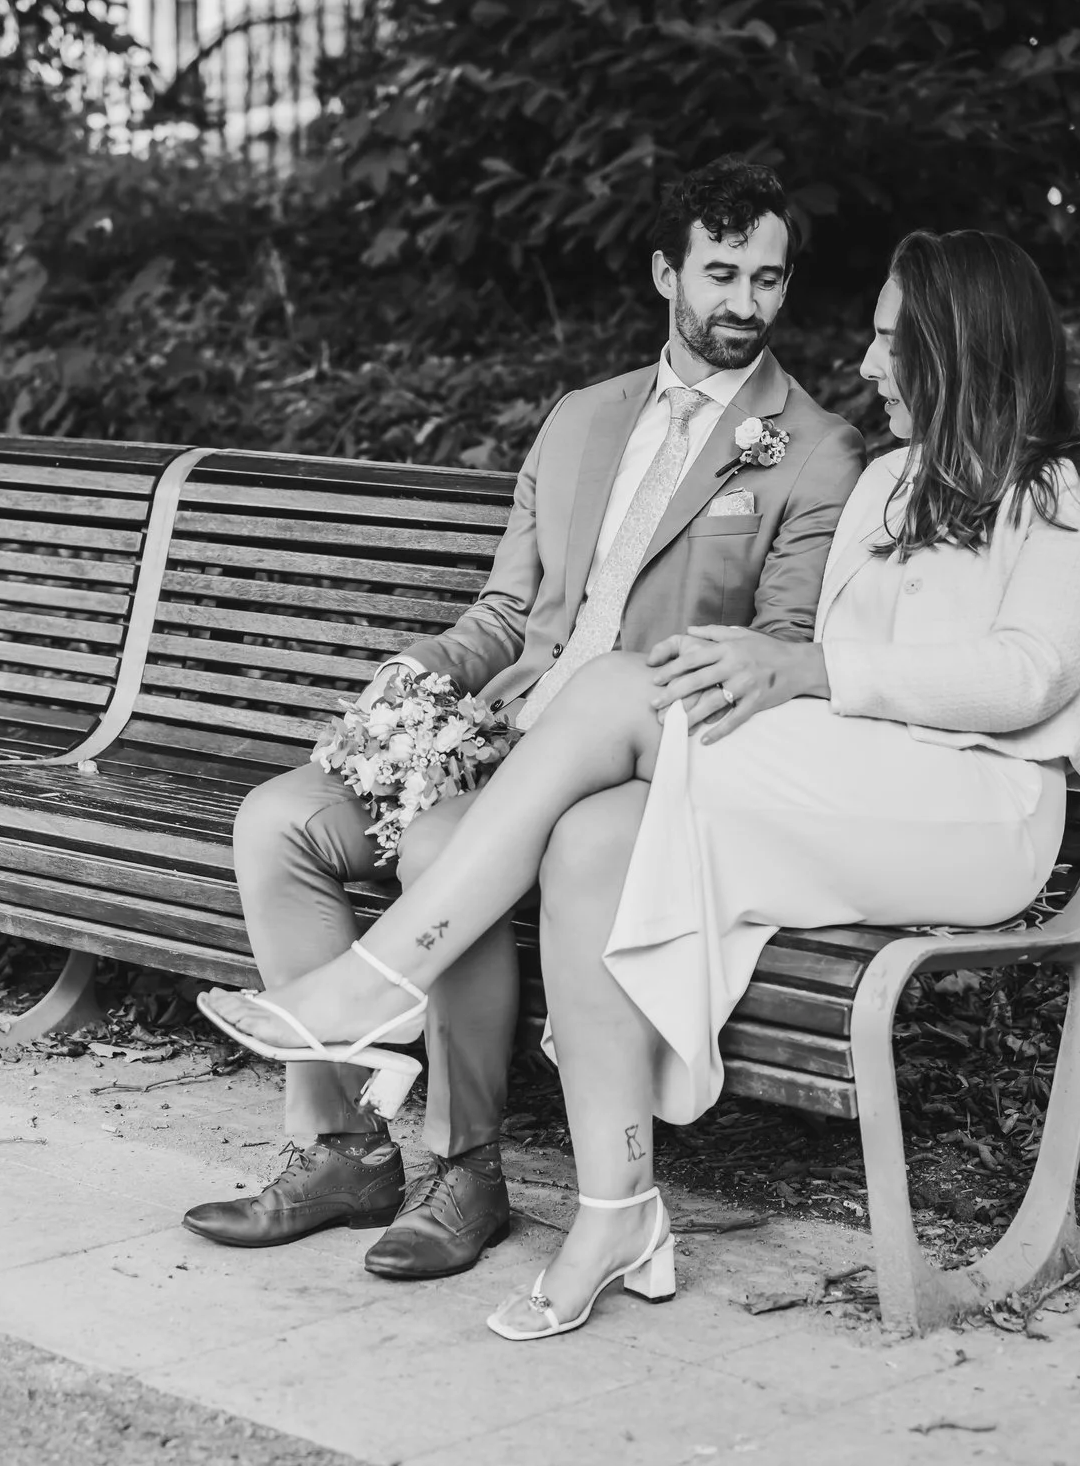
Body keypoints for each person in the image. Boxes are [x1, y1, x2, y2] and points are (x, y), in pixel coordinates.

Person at [199, 228, 1080, 1340]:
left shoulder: (1075, 485)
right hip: (848, 781)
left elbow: (1027, 674)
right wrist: (765, 679)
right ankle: (618, 1208)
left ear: (958, 349)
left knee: (609, 691)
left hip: (978, 808)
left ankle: (384, 973)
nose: (870, 364)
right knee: (593, 836)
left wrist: (796, 670)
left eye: (892, 342)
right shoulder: (894, 480)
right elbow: (812, 672)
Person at [182, 159, 866, 1282]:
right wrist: (416, 677)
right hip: (498, 734)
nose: (745, 301)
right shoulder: (581, 418)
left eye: (769, 278)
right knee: (280, 818)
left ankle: (467, 1167)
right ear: (665, 272)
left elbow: (772, 657)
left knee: (452, 838)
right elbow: (507, 610)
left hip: (633, 767)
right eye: (721, 271)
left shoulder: (816, 449)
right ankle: (342, 1145)